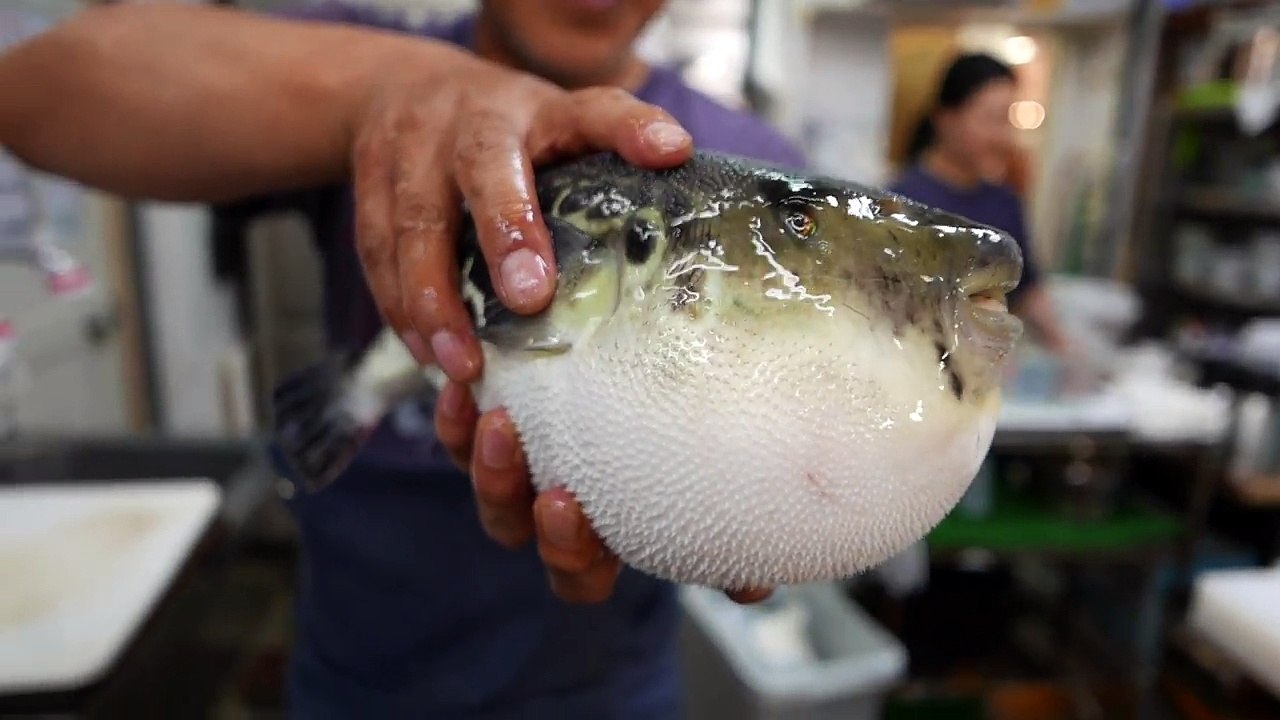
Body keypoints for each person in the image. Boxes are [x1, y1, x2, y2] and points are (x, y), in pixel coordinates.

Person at [0, 2, 806, 717]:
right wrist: (385, 90)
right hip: (356, 675)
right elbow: (36, 92)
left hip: (607, 686)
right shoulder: (361, 51)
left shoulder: (744, 165)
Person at [891, 52, 1070, 355]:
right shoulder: (902, 202)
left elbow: (1026, 288)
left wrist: (1063, 347)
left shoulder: (1005, 202)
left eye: (1008, 121)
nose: (1003, 136)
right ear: (946, 120)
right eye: (992, 119)